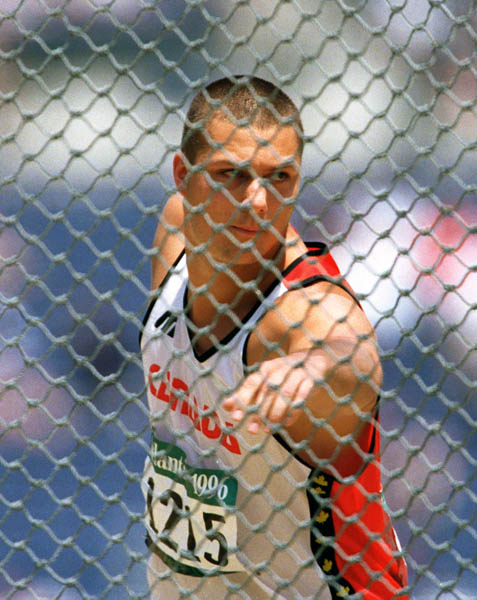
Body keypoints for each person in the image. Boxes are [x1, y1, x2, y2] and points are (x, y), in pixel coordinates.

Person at [140, 75, 408, 599]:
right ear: (183, 175)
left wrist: (316, 364)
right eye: (230, 175)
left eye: (279, 177)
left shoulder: (300, 315)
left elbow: (347, 347)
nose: (256, 202)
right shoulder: (177, 237)